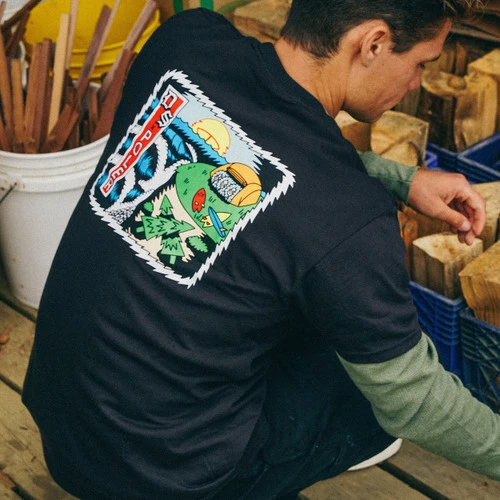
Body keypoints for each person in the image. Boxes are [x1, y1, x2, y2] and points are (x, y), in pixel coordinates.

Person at [22, 1, 494, 499]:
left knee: (303, 276)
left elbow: (257, 150)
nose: (416, 83)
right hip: (167, 479)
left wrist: (402, 178)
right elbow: (414, 400)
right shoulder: (347, 215)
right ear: (373, 43)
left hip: (64, 421)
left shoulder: (185, 43)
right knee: (370, 377)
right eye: (420, 63)